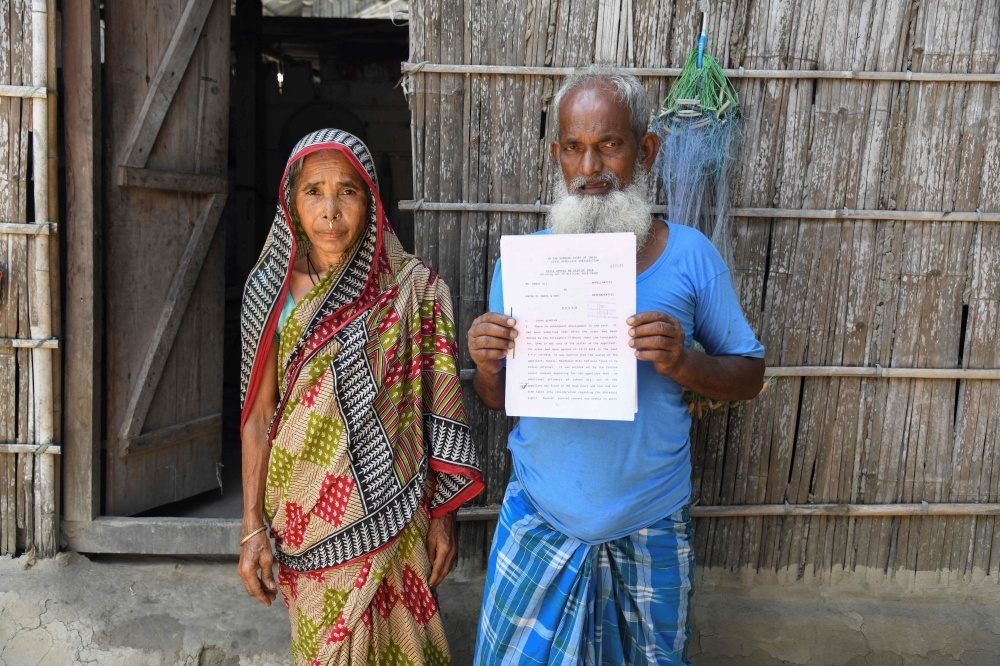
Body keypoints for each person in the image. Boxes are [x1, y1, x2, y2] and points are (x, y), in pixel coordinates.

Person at [468, 69, 765, 665]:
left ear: (646, 150)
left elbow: (750, 374)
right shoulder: (526, 267)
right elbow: (500, 401)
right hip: (541, 519)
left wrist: (683, 362)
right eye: (575, 147)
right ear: (557, 156)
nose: (590, 167)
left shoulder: (689, 257)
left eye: (611, 144)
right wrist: (486, 362)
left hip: (648, 523)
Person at [238, 129, 484, 666]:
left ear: (370, 200)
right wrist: (252, 525)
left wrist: (444, 514)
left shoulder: (410, 289)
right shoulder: (268, 292)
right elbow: (257, 417)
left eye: (347, 191)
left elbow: (436, 408)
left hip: (398, 514)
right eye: (314, 191)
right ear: (291, 200)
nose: (330, 210)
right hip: (306, 517)